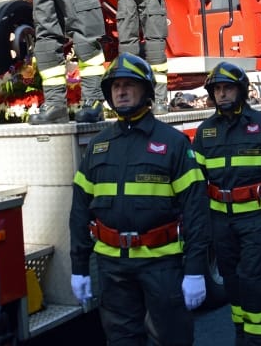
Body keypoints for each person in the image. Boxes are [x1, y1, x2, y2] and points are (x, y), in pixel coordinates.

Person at [69, 53, 209, 345]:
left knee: (172, 339)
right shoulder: (98, 146)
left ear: (145, 91)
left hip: (161, 264)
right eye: (115, 86)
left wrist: (196, 269)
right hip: (113, 267)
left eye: (129, 84)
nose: (121, 91)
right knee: (121, 340)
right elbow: (80, 211)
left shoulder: (173, 143)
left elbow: (196, 210)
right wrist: (79, 267)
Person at [192, 62, 261, 345]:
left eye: (228, 88)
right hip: (220, 221)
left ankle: (257, 338)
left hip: (256, 219)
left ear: (242, 90)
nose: (222, 94)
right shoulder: (205, 131)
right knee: (231, 281)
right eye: (217, 89)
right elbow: (196, 181)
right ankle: (241, 332)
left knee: (252, 280)